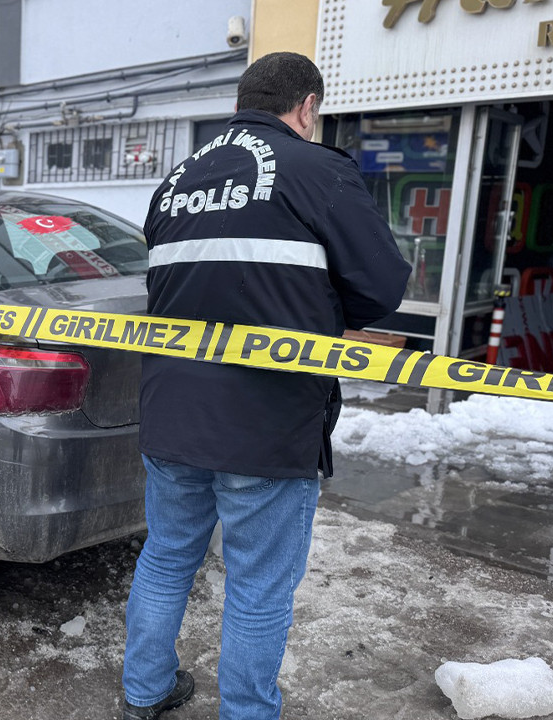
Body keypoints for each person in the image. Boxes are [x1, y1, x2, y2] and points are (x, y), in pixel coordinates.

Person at [122, 52, 411, 720]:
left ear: (240, 104)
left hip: (171, 413)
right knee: (257, 587)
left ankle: (145, 692)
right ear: (307, 107)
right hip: (267, 421)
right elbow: (382, 289)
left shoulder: (178, 178)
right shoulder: (319, 170)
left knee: (166, 558)